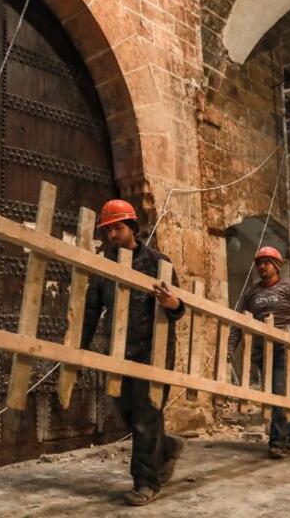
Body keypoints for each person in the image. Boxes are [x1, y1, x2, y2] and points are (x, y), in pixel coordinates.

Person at [80, 199, 186, 506]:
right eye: (108, 230)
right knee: (125, 410)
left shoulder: (158, 262)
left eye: (117, 228)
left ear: (132, 227)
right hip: (119, 350)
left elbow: (179, 308)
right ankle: (165, 448)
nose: (112, 234)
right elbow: (90, 310)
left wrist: (173, 304)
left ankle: (146, 482)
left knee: (145, 415)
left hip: (152, 350)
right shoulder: (104, 266)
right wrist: (80, 349)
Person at [228, 246, 290, 459]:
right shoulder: (251, 293)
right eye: (259, 263)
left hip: (287, 352)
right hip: (262, 353)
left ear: (277, 266)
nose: (262, 266)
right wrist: (230, 348)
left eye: (267, 263)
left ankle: (277, 442)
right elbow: (239, 323)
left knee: (280, 393)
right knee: (277, 395)